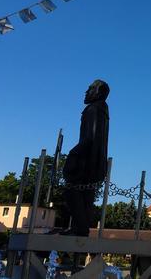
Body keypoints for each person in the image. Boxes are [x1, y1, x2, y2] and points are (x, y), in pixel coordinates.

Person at [63, 79, 110, 236]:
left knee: (72, 190)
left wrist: (74, 153)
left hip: (87, 160)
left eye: (90, 89)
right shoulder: (102, 109)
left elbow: (91, 137)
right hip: (95, 159)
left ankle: (80, 227)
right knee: (86, 195)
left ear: (98, 92)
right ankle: (79, 227)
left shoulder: (94, 109)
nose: (86, 92)